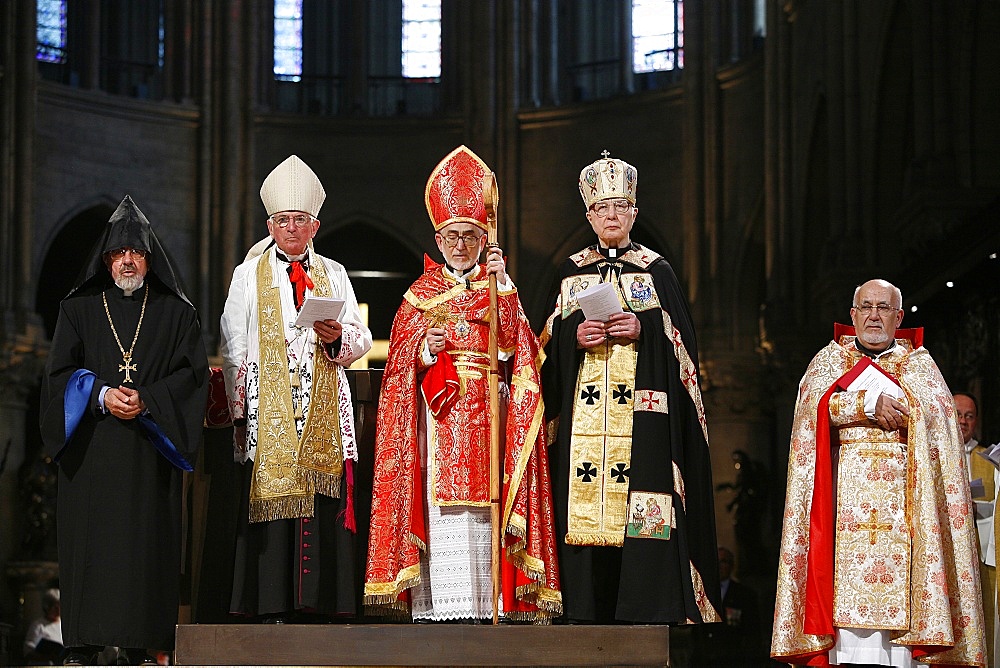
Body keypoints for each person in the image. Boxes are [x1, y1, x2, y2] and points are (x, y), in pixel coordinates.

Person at [364, 145, 561, 622]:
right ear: (437, 237)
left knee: (489, 509)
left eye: (469, 236)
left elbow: (523, 353)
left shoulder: (502, 288)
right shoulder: (420, 295)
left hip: (490, 411)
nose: (459, 245)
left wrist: (503, 290)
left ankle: (492, 603)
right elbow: (397, 369)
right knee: (442, 511)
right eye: (451, 236)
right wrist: (424, 349)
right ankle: (441, 608)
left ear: (483, 238)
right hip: (439, 418)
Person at [539, 151, 721, 624]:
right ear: (590, 216)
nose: (612, 215)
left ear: (634, 213)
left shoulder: (656, 269)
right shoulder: (571, 272)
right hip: (584, 421)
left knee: (645, 507)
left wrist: (645, 331)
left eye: (621, 207)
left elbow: (683, 346)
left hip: (644, 416)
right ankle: (581, 606)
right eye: (603, 209)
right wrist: (572, 338)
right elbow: (545, 347)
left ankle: (645, 604)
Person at [771, 279, 986, 666]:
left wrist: (909, 410)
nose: (874, 315)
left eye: (883, 308)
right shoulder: (827, 362)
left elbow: (939, 423)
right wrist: (863, 404)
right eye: (866, 307)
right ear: (852, 315)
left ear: (898, 317)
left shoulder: (920, 364)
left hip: (905, 508)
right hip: (841, 507)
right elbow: (807, 419)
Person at [39, 196, 210, 665]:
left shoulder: (177, 314)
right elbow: (57, 376)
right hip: (90, 456)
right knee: (92, 551)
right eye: (118, 253)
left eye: (136, 253)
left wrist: (147, 400)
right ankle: (84, 645)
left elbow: (194, 376)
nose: (128, 260)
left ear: (149, 259)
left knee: (143, 549)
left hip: (146, 456)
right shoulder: (79, 309)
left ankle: (140, 645)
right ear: (107, 260)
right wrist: (99, 394)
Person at [220, 155, 372, 621]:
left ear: (314, 225)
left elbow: (361, 337)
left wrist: (338, 339)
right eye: (282, 221)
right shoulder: (249, 275)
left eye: (299, 221)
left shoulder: (336, 273)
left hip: (323, 402)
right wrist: (239, 400)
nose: (290, 228)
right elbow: (233, 338)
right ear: (270, 224)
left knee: (321, 504)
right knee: (275, 499)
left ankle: (324, 602)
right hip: (269, 409)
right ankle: (271, 603)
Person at [956, 392, 996, 667]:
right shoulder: (931, 453)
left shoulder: (989, 458)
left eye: (969, 416)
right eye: (958, 414)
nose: (963, 421)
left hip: (983, 551)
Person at [690, 548, 764, 667]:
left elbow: (752, 632)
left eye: (723, 562)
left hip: (733, 659)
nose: (719, 566)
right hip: (705, 659)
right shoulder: (702, 592)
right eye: (716, 562)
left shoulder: (745, 595)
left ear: (731, 565)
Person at [22, 588, 63, 665]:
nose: (58, 610)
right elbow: (28, 651)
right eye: (55, 607)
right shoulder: (38, 625)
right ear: (47, 607)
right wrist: (47, 656)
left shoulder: (62, 625)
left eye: (60, 607)